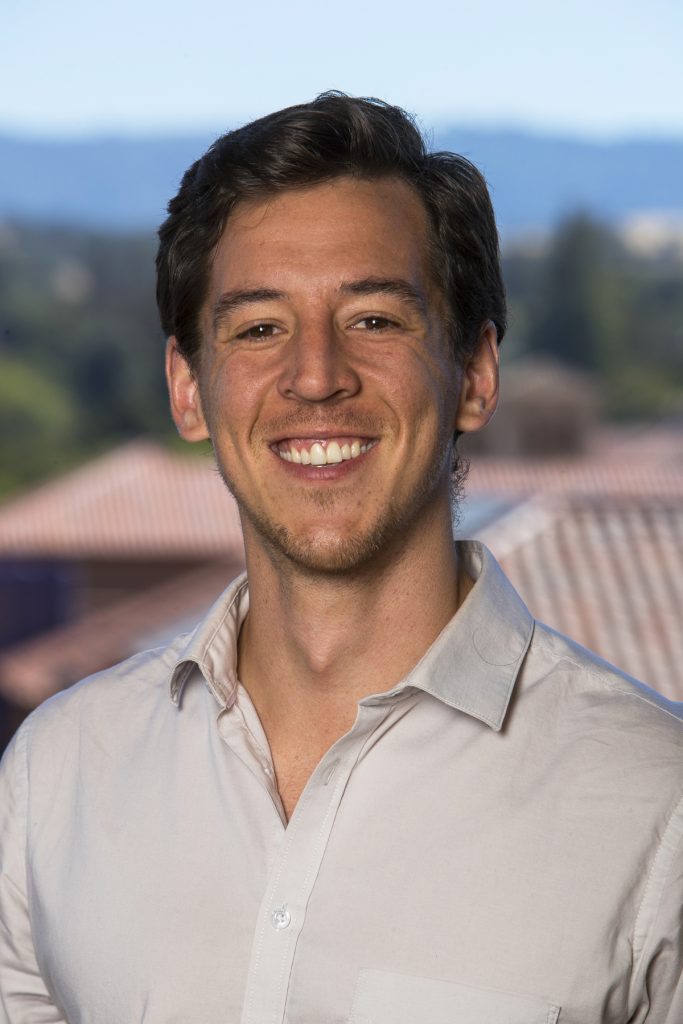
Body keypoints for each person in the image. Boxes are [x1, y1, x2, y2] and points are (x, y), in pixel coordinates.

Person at [0, 93, 681, 1024]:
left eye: (374, 320)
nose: (316, 377)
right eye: (258, 328)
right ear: (188, 390)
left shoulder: (656, 805)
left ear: (475, 373)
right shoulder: (54, 778)